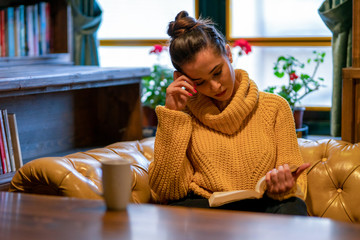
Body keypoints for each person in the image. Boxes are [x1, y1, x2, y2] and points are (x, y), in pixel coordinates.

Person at [148, 11, 310, 215]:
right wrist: (173, 116)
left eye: (217, 72)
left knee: (293, 207)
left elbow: (297, 178)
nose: (215, 86)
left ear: (229, 53)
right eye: (200, 82)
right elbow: (168, 191)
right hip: (208, 211)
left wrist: (284, 185)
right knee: (175, 213)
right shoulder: (182, 116)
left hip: (265, 206)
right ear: (182, 79)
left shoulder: (275, 107)